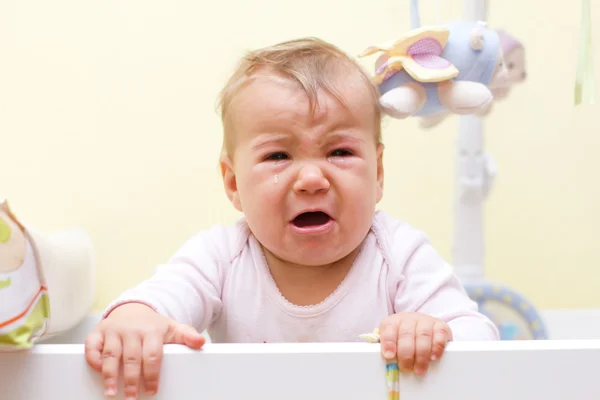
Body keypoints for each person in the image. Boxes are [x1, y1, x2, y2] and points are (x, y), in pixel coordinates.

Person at [84, 36, 499, 399]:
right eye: (278, 156)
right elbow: (165, 295)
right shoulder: (222, 256)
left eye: (340, 152)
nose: (312, 179)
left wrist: (430, 331)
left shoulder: (400, 255)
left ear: (378, 174)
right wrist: (135, 316)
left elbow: (480, 339)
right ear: (232, 183)